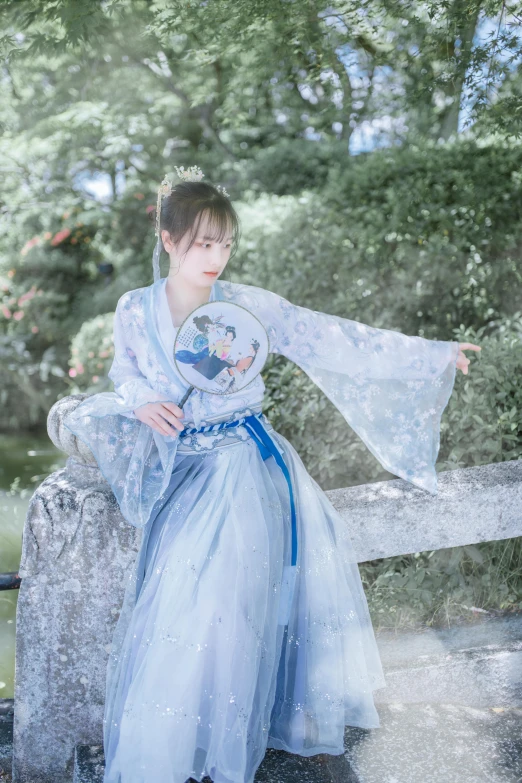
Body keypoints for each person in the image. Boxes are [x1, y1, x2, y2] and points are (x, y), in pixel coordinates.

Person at [63, 168, 481, 783]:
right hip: (183, 467)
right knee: (183, 605)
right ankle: (181, 740)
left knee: (226, 600)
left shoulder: (247, 306)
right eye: (203, 243)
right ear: (169, 239)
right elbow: (126, 374)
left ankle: (249, 734)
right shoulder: (134, 308)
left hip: (244, 464)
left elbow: (334, 339)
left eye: (225, 243)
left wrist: (432, 353)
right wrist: (140, 403)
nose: (216, 257)